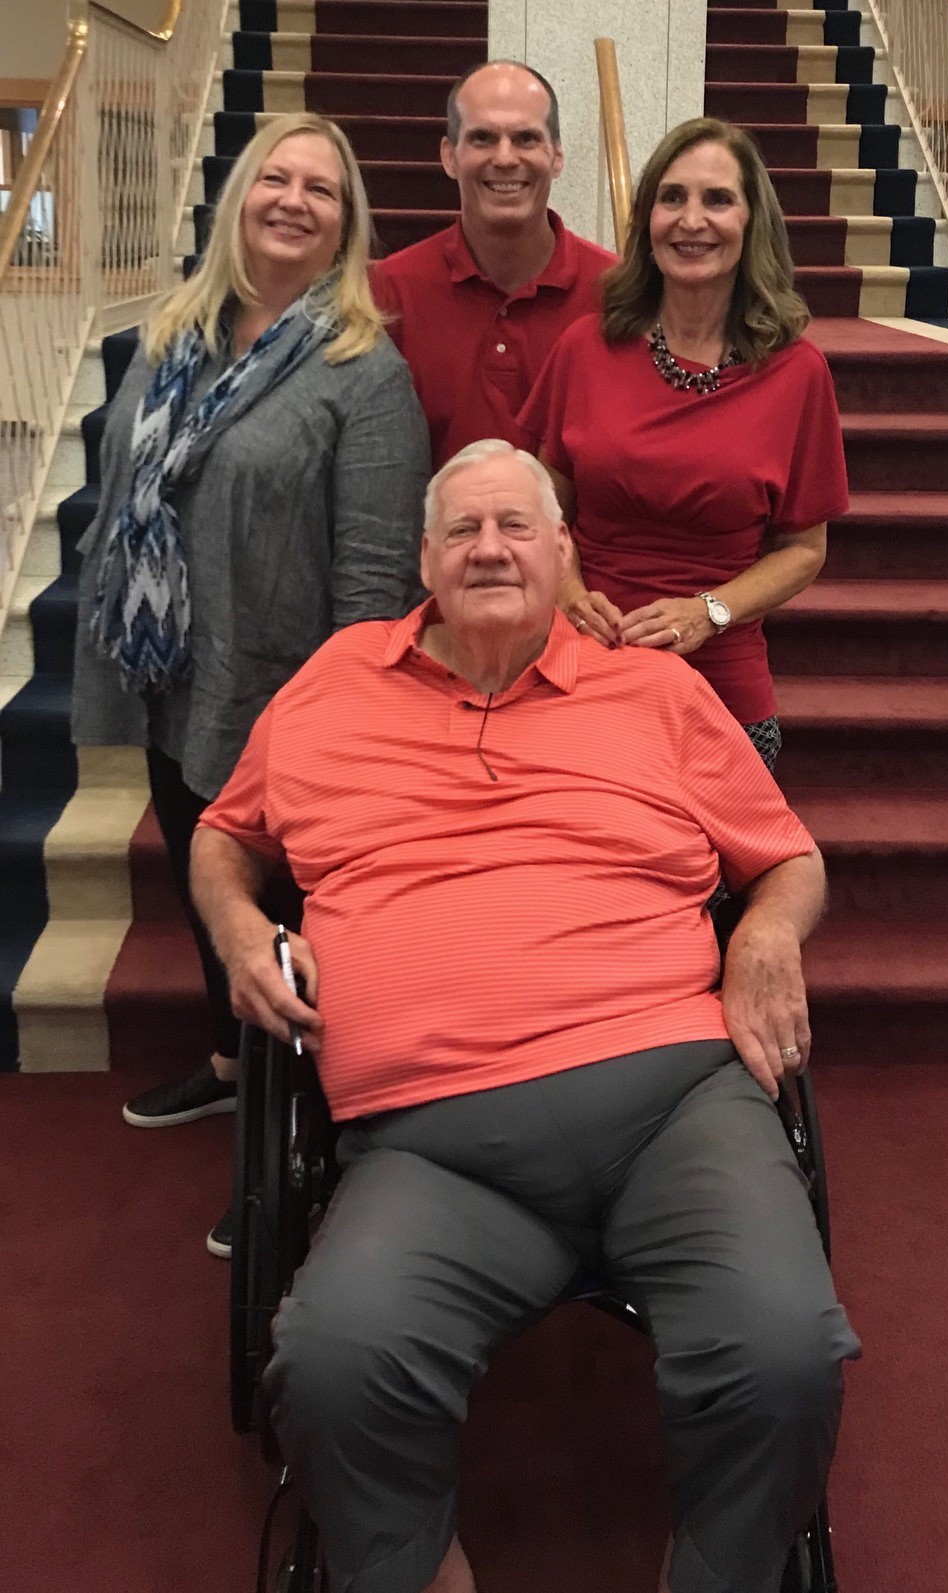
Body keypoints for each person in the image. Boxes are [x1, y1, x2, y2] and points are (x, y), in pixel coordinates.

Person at [190, 440, 860, 1593]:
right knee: (335, 1362)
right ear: (424, 559)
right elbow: (223, 835)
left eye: (516, 526)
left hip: (675, 1110)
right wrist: (243, 935)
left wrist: (760, 933)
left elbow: (788, 861)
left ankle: (721, 1569)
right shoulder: (336, 683)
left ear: (564, 552)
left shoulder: (657, 693)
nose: (489, 548)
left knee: (786, 1353)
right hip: (429, 1142)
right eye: (462, 530)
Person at [70, 111, 430, 1257]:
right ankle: (237, 1065)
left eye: (321, 190)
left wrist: (342, 722)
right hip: (174, 675)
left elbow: (376, 577)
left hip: (285, 695)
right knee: (197, 872)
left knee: (291, 919)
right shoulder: (176, 330)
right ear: (239, 198)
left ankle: (301, 1130)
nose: (293, 200)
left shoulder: (362, 369)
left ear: (346, 224)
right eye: (275, 177)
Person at [518, 116, 850, 774]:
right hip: (580, 671)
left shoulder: (797, 372)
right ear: (646, 219)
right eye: (671, 198)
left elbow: (804, 551)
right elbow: (540, 505)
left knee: (703, 880)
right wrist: (566, 587)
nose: (690, 220)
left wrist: (709, 611)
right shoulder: (585, 348)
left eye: (716, 199)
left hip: (719, 692)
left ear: (752, 224)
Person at [370, 60, 615, 465]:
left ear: (556, 156)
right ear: (449, 156)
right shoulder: (388, 293)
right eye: (483, 138)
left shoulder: (616, 292)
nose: (505, 158)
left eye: (525, 139)